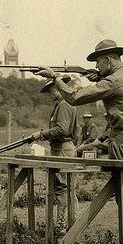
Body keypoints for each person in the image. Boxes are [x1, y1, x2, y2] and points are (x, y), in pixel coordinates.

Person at [36, 39, 123, 244]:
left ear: (107, 59)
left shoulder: (111, 82)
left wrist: (55, 77)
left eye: (98, 63)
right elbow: (121, 87)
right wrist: (101, 77)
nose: (96, 67)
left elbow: (74, 98)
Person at [29, 76, 77, 229]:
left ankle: (64, 224)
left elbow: (62, 129)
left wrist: (42, 134)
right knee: (63, 186)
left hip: (63, 149)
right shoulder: (61, 104)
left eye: (50, 92)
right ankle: (69, 222)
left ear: (58, 89)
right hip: (60, 148)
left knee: (63, 187)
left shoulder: (64, 105)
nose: (49, 96)